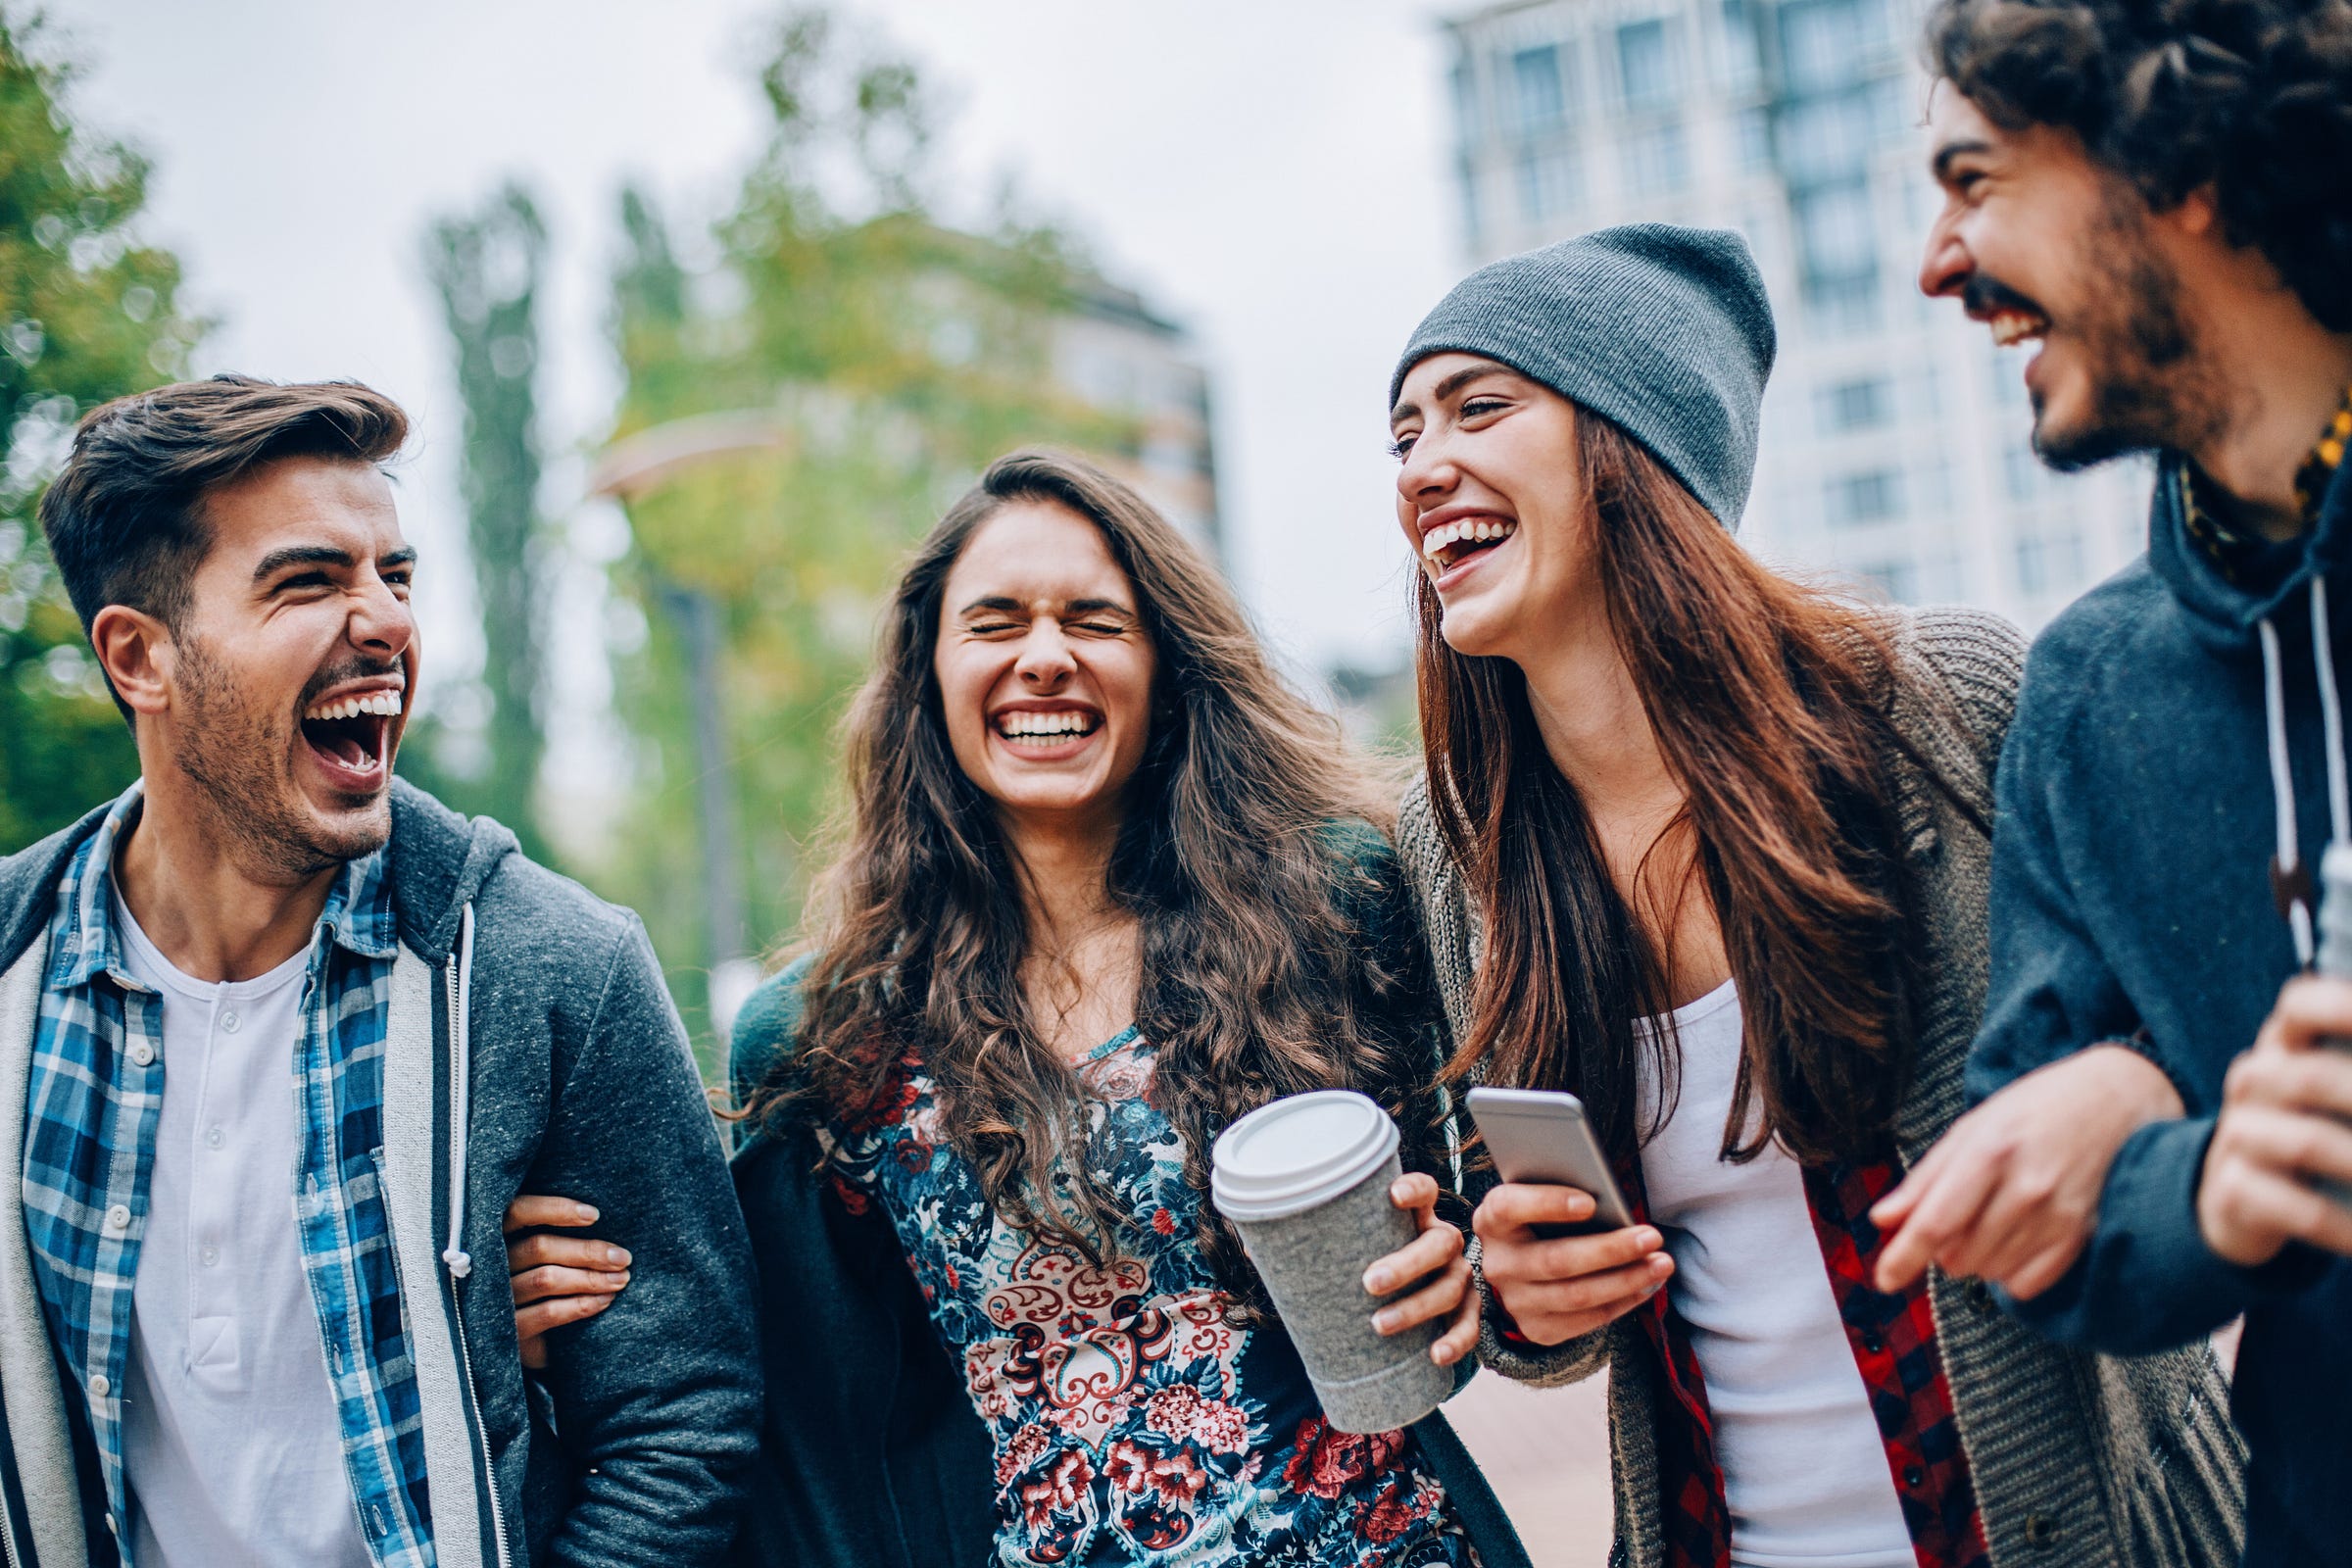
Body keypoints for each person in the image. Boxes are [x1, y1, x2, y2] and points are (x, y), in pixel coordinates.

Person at [1385, 226, 2242, 1568]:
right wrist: (1524, 1291)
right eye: (1403, 436)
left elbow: (2201, 1030)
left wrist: (2124, 1097)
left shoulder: (1938, 705)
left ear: (1637, 446)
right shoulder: (1460, 847)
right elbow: (1528, 1313)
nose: (1424, 466)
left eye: (1479, 408)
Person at [540, 449, 1526, 1568]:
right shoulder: (830, 1036)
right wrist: (545, 1303)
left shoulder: (1337, 907)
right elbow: (746, 1384)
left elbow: (1506, 1223)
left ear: (1165, 666)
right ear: (929, 676)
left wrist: (1473, 1275)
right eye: (996, 622)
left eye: (1095, 621)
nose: (1045, 658)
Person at [0, 376, 760, 1568]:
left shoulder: (557, 970)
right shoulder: (13, 983)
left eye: (395, 576)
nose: (388, 621)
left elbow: (688, 1419)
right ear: (139, 656)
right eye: (309, 581)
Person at [1886, 0, 2352, 1557]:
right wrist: (2211, 1179)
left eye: (1975, 179)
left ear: (2183, 158)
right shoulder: (2090, 690)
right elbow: (2064, 1230)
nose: (1937, 264)